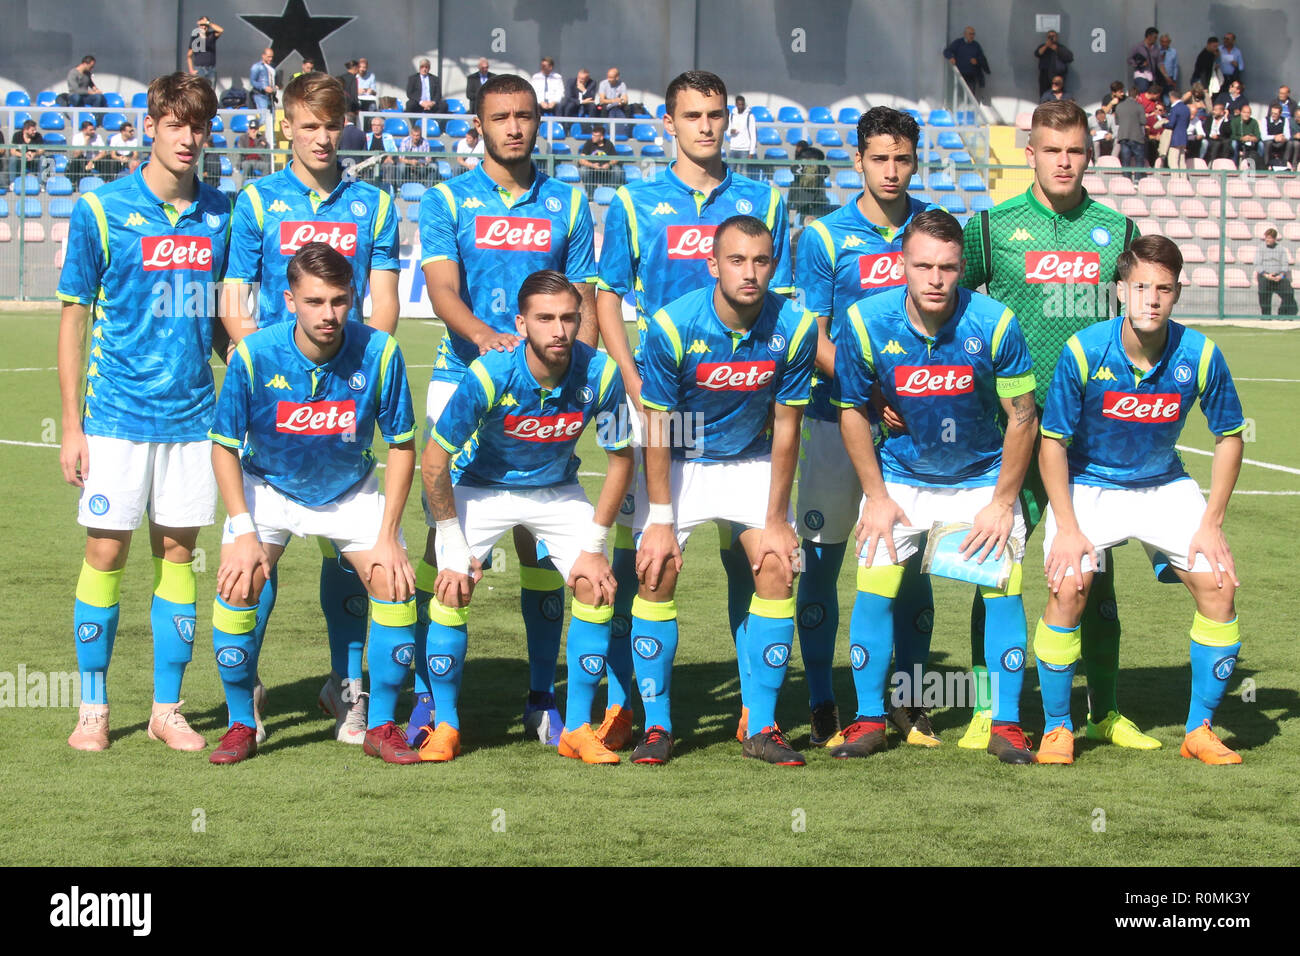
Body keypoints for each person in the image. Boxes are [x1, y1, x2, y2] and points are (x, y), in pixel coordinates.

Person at [596, 70, 795, 751]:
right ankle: (632, 704)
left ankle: (755, 709)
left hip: (742, 413)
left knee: (758, 561)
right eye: (693, 115)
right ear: (669, 124)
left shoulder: (764, 199)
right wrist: (630, 374)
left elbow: (785, 304)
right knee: (644, 563)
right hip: (661, 409)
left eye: (715, 114)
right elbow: (608, 295)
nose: (706, 126)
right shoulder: (634, 201)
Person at [957, 100, 1149, 753]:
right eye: (1051, 149)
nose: (1063, 161)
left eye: (1074, 151)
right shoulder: (990, 228)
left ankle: (1105, 709)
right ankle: (990, 709)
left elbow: (1138, 322)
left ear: (1087, 155)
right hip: (1010, 427)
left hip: (1090, 437)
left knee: (1093, 576)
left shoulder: (1117, 233)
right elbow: (947, 304)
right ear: (1030, 153)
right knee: (996, 566)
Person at [414, 72, 599, 748]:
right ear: (478, 124)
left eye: (525, 116)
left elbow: (577, 298)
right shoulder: (445, 199)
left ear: (539, 121)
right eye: (501, 117)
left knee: (539, 540)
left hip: (545, 390)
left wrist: (582, 380)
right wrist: (490, 342)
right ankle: (435, 705)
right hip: (465, 378)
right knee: (449, 545)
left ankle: (543, 695)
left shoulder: (569, 202)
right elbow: (442, 292)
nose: (514, 127)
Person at [222, 72, 401, 746]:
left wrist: (360, 372)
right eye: (310, 125)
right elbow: (234, 303)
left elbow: (382, 307)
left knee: (345, 550)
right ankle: (250, 694)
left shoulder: (374, 206)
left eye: (334, 125)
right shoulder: (256, 202)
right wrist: (274, 370)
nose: (324, 137)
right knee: (257, 557)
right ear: (286, 126)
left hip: (345, 406)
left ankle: (346, 687)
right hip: (275, 405)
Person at [56, 72, 232, 753]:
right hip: (115, 418)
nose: (189, 138)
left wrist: (252, 367)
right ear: (151, 126)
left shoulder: (221, 212)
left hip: (193, 421)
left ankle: (167, 708)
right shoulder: (101, 209)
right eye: (176, 124)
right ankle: (94, 709)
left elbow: (222, 318)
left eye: (200, 126)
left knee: (179, 556)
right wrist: (71, 424)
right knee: (105, 552)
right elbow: (75, 319)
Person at [834, 209, 1038, 764]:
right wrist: (876, 498)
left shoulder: (994, 322)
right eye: (923, 265)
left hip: (979, 480)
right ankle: (869, 717)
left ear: (961, 267)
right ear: (902, 264)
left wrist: (1001, 502)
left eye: (947, 267)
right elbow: (852, 410)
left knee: (1004, 590)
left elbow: (1023, 417)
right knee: (874, 588)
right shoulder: (863, 321)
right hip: (899, 481)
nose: (935, 279)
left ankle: (1008, 723)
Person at [1035, 235, 1246, 766]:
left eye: (1164, 289)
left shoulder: (1200, 353)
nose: (1152, 298)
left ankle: (1199, 729)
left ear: (1177, 294)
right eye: (1141, 287)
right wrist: (1066, 526)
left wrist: (1211, 524)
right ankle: (1059, 728)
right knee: (1070, 584)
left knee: (1219, 585)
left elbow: (1230, 437)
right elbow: (1052, 442)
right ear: (1120, 291)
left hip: (1163, 484)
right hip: (1090, 482)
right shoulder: (1084, 350)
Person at [208, 242, 419, 765]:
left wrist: (389, 536)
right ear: (290, 300)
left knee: (395, 583)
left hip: (348, 488)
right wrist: (242, 529)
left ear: (355, 297)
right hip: (268, 486)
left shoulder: (381, 352)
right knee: (238, 584)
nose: (329, 314)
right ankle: (241, 721)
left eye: (340, 301)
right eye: (315, 301)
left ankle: (381, 722)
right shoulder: (255, 354)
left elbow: (402, 444)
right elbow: (224, 446)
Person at [417, 270, 634, 763]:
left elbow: (622, 459)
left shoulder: (600, 372)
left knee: (596, 584)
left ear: (582, 321)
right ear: (521, 322)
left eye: (568, 318)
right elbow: (434, 460)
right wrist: (450, 539)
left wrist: (595, 546)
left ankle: (576, 728)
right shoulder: (490, 373)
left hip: (556, 490)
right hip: (482, 487)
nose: (558, 329)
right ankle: (447, 724)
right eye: (544, 318)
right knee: (450, 584)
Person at [630, 215, 816, 766]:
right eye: (737, 260)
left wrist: (778, 517)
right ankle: (657, 724)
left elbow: (788, 427)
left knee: (778, 564)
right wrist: (660, 516)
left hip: (751, 461)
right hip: (680, 460)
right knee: (655, 567)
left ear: (774, 265)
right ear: (713, 264)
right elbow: (657, 427)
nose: (750, 272)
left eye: (761, 261)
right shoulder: (670, 326)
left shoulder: (797, 327)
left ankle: (760, 725)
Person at [791, 107, 940, 749]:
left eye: (902, 158)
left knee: (914, 568)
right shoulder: (825, 238)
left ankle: (908, 699)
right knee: (822, 564)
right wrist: (871, 388)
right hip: (835, 420)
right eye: (878, 158)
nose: (891, 170)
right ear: (858, 161)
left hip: (914, 433)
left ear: (915, 161)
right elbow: (812, 335)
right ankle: (824, 697)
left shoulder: (933, 230)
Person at [789, 139, 834, 222]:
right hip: (817, 196)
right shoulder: (817, 160)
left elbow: (793, 171)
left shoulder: (800, 160)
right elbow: (827, 172)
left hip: (801, 197)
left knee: (803, 222)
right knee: (817, 222)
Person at [1255, 228, 1297, 315]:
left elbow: (1285, 264)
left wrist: (1281, 275)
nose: (1267, 239)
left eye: (1270, 238)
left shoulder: (1281, 249)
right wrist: (1266, 275)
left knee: (1289, 291)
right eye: (1266, 237)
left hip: (1278, 276)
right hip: (1265, 275)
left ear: (1274, 239)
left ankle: (1282, 314)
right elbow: (1257, 264)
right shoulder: (1260, 248)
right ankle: (1266, 316)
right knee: (1263, 294)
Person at [944, 25, 990, 97]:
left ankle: (969, 108)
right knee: (959, 95)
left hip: (971, 76)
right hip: (960, 75)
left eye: (973, 34)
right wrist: (951, 57)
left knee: (970, 96)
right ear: (965, 34)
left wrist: (976, 61)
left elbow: (982, 59)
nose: (972, 36)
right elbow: (947, 51)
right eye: (970, 34)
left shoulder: (976, 45)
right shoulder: (958, 43)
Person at [1112, 85, 1147, 176]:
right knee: (1139, 160)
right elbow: (1143, 121)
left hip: (1123, 136)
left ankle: (1126, 179)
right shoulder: (1139, 106)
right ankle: (1137, 179)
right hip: (1136, 137)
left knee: (1125, 160)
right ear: (1137, 96)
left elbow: (1117, 122)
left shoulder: (1119, 106)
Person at [7, 119, 51, 183]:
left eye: (35, 130)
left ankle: (41, 183)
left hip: (34, 159)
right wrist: (23, 155)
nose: (35, 132)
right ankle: (12, 183)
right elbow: (12, 151)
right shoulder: (17, 135)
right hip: (20, 159)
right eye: (32, 130)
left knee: (43, 158)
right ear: (25, 130)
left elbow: (42, 150)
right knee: (13, 158)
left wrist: (34, 154)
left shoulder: (38, 136)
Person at [577, 124, 615, 196]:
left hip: (606, 171)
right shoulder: (589, 143)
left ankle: (609, 194)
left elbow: (615, 159)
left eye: (595, 136)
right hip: (591, 170)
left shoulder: (609, 144)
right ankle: (591, 194)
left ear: (601, 137)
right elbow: (581, 160)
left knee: (617, 170)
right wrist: (592, 165)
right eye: (592, 135)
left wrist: (608, 164)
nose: (593, 137)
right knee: (583, 170)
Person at [186, 16, 223, 89]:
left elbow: (221, 30)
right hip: (200, 70)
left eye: (205, 25)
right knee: (199, 91)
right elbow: (189, 56)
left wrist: (208, 23)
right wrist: (191, 70)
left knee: (211, 92)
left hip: (211, 69)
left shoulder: (211, 36)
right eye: (202, 25)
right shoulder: (195, 38)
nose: (204, 27)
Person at [1035, 30, 1073, 97]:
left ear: (1057, 37)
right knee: (1044, 94)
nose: (1051, 38)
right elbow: (1038, 53)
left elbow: (1069, 58)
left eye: (1053, 36)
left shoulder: (1061, 47)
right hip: (1045, 76)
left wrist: (1056, 49)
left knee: (1058, 95)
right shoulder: (1043, 47)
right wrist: (1047, 45)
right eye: (1049, 36)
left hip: (1058, 75)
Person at [726, 94, 757, 173]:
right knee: (731, 172)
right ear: (736, 104)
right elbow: (728, 132)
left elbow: (753, 134)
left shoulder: (750, 116)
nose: (741, 106)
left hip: (745, 149)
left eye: (742, 104)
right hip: (733, 148)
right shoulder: (732, 115)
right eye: (739, 104)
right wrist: (731, 131)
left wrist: (751, 151)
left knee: (744, 172)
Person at [364, 114, 398, 186]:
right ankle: (367, 188)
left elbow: (394, 150)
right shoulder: (367, 136)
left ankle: (388, 187)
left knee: (389, 165)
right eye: (373, 125)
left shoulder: (388, 137)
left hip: (384, 162)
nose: (375, 127)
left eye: (378, 125)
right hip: (370, 161)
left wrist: (389, 157)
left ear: (383, 127)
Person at [249, 48, 277, 127]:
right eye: (268, 57)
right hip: (260, 95)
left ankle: (271, 139)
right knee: (263, 118)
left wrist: (275, 86)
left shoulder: (272, 67)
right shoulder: (257, 66)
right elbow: (252, 81)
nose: (270, 59)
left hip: (270, 96)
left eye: (272, 57)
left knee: (272, 119)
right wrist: (263, 87)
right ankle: (251, 130)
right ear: (263, 56)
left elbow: (272, 79)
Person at [1129, 27, 1162, 94]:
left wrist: (1165, 75)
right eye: (1155, 37)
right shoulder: (1138, 47)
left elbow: (1159, 62)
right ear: (1149, 36)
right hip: (1141, 74)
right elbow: (1129, 59)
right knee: (1143, 90)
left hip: (1152, 75)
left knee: (1152, 93)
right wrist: (1139, 64)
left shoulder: (1156, 48)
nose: (1156, 40)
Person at [237, 117, 269, 182]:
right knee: (246, 166)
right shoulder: (242, 138)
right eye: (251, 128)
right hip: (246, 160)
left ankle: (264, 187)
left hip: (258, 161)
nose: (253, 131)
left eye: (255, 129)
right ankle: (243, 187)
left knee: (266, 166)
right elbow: (243, 151)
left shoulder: (261, 138)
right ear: (248, 129)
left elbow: (262, 151)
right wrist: (257, 147)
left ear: (258, 130)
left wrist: (255, 139)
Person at [1263, 103, 1293, 168]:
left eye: (1275, 114)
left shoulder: (1285, 120)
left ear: (1280, 113)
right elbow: (1263, 136)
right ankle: (1267, 165)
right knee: (1268, 143)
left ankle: (1284, 164)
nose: (1273, 115)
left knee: (1290, 143)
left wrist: (1283, 138)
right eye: (1272, 113)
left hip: (1281, 142)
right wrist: (1274, 137)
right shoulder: (1265, 120)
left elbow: (1288, 135)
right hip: (1271, 142)